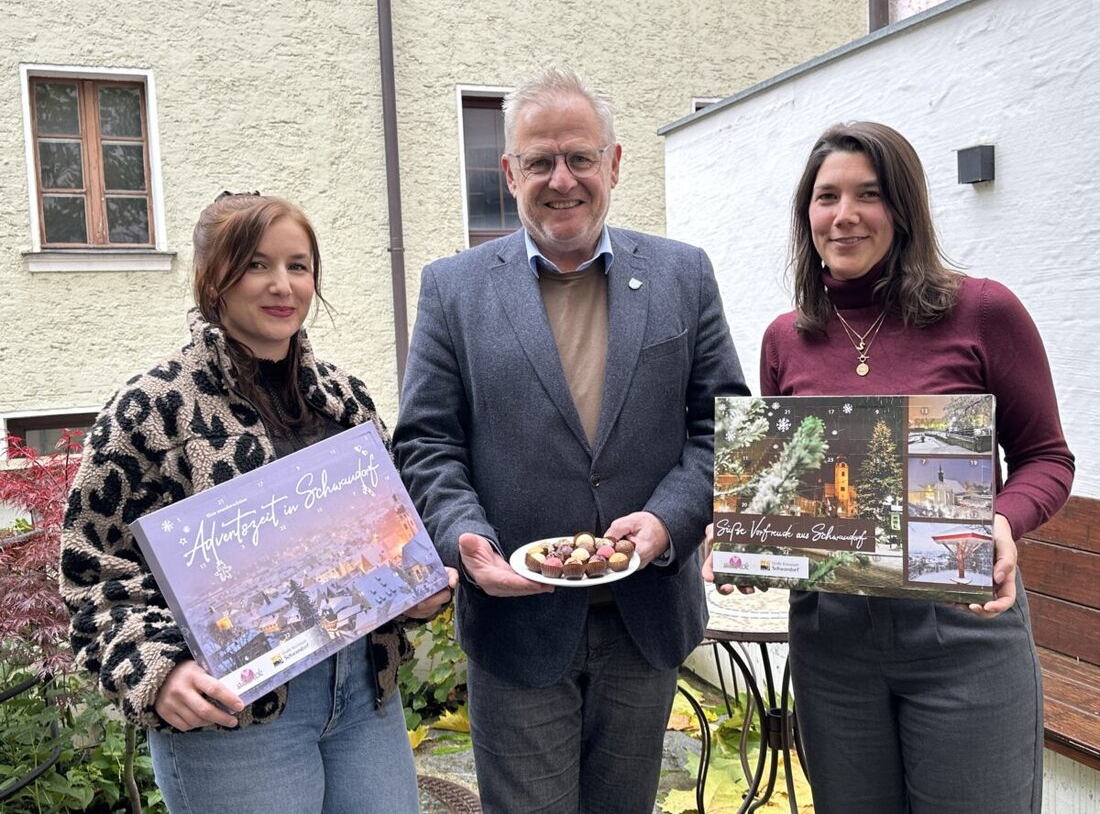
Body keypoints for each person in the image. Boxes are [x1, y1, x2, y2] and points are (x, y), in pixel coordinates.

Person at [392, 67, 748, 814]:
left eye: (580, 157)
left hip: (644, 617)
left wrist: (667, 521)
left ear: (613, 164)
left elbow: (720, 429)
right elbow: (428, 442)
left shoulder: (684, 274)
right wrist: (465, 535)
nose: (562, 179)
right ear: (510, 172)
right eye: (541, 160)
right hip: (516, 624)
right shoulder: (452, 289)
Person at [703, 122, 1074, 814]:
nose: (844, 215)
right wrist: (744, 537)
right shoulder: (786, 338)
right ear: (805, 214)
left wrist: (1002, 519)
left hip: (963, 631)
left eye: (868, 194)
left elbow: (1047, 457)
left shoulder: (983, 311)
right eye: (826, 196)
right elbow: (787, 489)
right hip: (830, 641)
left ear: (903, 208)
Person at [61, 192, 457, 814]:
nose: (282, 285)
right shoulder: (152, 408)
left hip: (363, 692)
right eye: (256, 265)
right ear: (213, 277)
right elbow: (92, 573)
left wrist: (416, 587)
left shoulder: (345, 400)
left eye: (298, 266)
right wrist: (156, 672)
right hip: (236, 719)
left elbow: (391, 536)